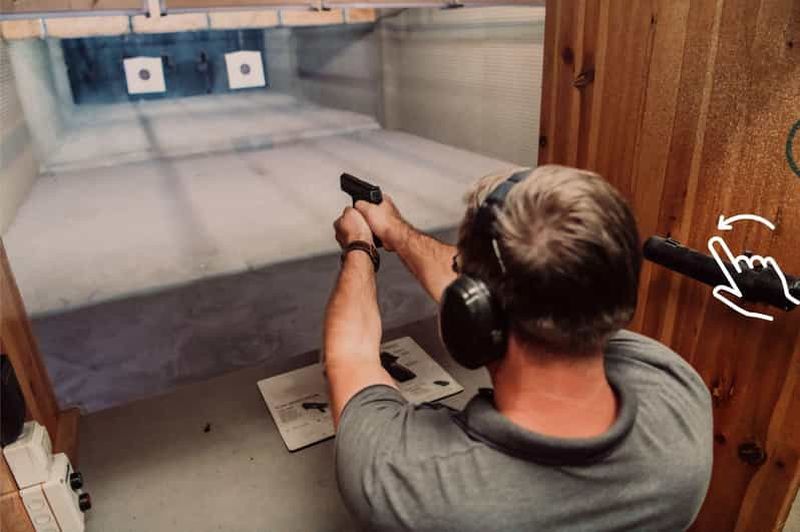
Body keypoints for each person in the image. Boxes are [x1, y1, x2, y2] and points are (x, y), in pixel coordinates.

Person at [323, 165, 713, 531]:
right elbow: (535, 292)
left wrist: (360, 247)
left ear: (472, 317)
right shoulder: (677, 399)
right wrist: (395, 230)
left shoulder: (406, 482)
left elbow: (351, 357)